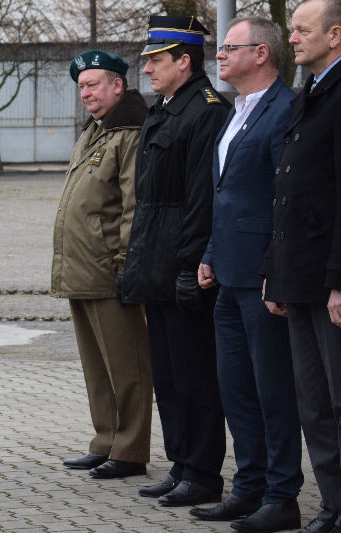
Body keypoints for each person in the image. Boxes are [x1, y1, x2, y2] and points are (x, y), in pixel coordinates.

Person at [192, 17, 303, 533]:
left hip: (262, 278)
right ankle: (248, 486)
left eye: (228, 48)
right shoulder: (235, 112)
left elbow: (285, 200)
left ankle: (282, 495)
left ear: (261, 53)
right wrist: (211, 252)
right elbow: (226, 194)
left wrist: (273, 270)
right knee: (235, 386)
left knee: (271, 389)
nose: (218, 56)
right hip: (228, 275)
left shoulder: (284, 110)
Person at [119, 15, 230, 506]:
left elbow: (199, 200)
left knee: (195, 377)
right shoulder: (165, 110)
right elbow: (148, 204)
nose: (148, 70)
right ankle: (180, 462)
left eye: (157, 61)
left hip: (183, 267)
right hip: (157, 266)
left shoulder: (205, 111)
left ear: (185, 61)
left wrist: (189, 266)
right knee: (167, 377)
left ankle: (203, 471)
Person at [52, 50, 153, 479]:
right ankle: (106, 439)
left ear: (118, 85)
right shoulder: (95, 131)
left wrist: (126, 264)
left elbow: (132, 205)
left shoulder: (129, 133)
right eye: (81, 87)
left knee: (125, 365)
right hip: (82, 267)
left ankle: (129, 450)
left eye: (94, 85)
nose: (86, 94)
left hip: (110, 269)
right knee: (97, 366)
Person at [262, 0, 341, 531]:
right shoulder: (309, 93)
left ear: (336, 35)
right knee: (313, 403)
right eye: (290, 29)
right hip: (301, 275)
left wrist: (339, 281)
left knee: (338, 401)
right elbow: (288, 192)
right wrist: (277, 271)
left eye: (302, 30)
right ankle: (333, 505)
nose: (292, 38)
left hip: (331, 279)